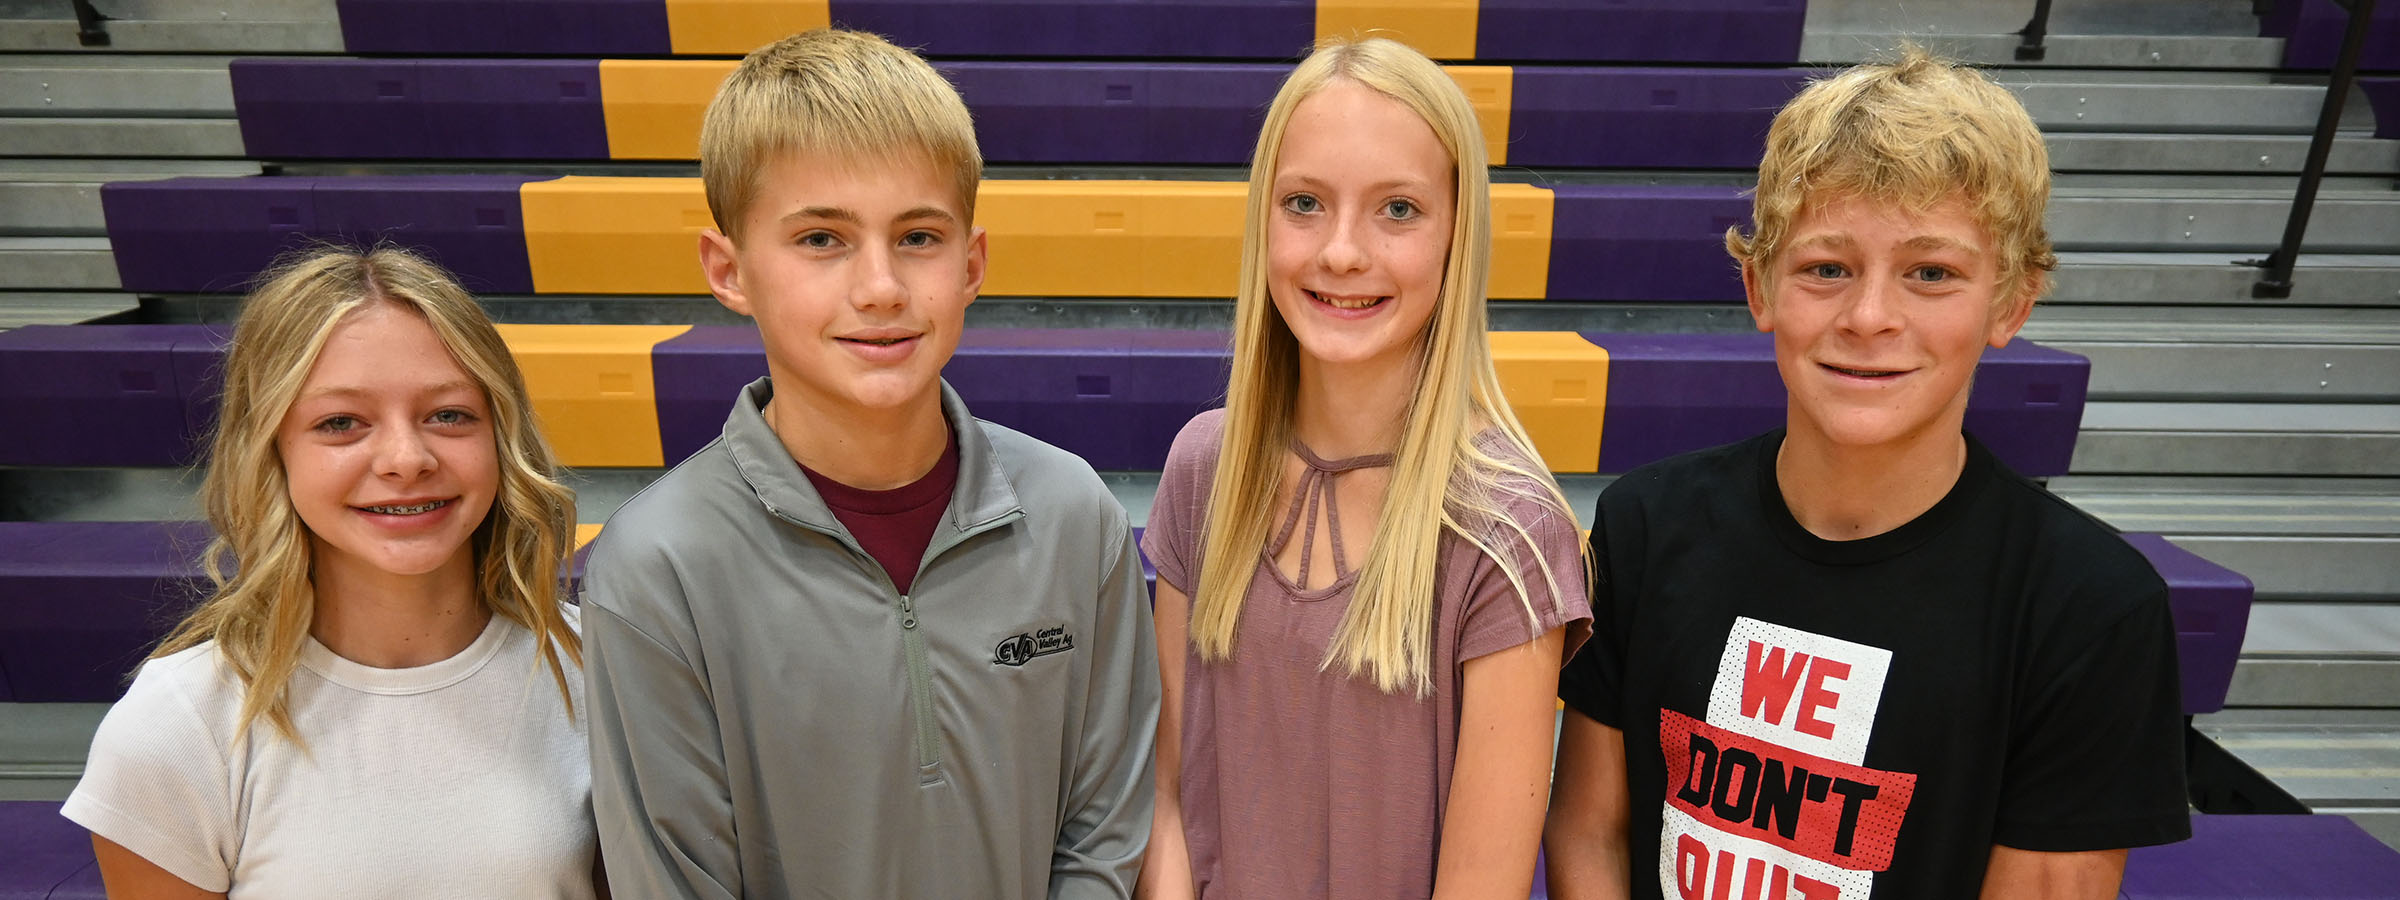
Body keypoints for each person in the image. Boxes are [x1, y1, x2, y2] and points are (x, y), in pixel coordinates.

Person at [1543, 47, 2190, 900]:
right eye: (1827, 268)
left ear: (2012, 303)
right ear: (1758, 286)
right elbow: (1593, 833)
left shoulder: (2090, 608)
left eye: (1931, 273)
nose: (1870, 317)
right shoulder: (1648, 525)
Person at [578, 27, 1159, 899]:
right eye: (822, 240)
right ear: (728, 270)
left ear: (974, 263)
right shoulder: (658, 569)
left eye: (919, 237)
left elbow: (1105, 830)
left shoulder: (1075, 514)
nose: (881, 286)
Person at [1137, 36, 1592, 900]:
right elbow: (1166, 797)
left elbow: (1482, 886)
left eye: (1398, 210)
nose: (1342, 252)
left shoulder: (1508, 528)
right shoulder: (1204, 465)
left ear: (1458, 234)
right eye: (1304, 202)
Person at [63, 245, 596, 899]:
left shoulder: (604, 671)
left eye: (448, 414)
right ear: (269, 452)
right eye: (341, 423)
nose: (406, 458)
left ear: (502, 436)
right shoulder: (180, 722)